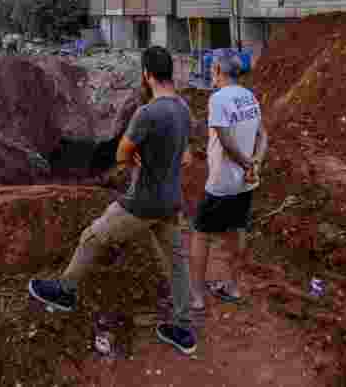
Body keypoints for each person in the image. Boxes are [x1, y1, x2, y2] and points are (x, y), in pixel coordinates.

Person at [28, 46, 197, 356]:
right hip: (172, 201)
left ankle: (65, 291)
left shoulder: (148, 113)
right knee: (177, 264)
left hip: (142, 202)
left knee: (92, 237)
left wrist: (137, 161)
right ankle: (184, 329)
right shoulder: (184, 109)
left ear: (146, 74)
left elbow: (121, 153)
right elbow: (186, 158)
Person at [189, 54, 269, 310]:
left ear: (217, 70)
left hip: (222, 182)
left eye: (212, 69)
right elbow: (263, 135)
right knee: (237, 231)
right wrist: (255, 163)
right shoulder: (250, 96)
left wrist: (247, 163)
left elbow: (224, 138)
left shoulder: (218, 98)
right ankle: (232, 287)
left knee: (201, 235)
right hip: (245, 183)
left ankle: (197, 296)